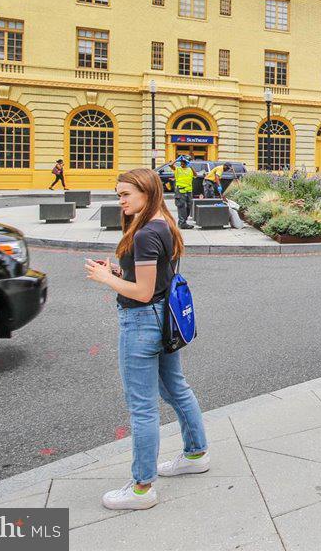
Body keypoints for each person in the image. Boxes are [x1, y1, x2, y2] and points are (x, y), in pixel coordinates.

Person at [84, 168, 208, 510]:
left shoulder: (144, 234)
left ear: (146, 192)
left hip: (141, 322)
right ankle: (195, 453)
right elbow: (153, 279)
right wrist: (119, 273)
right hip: (161, 319)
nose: (120, 200)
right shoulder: (164, 223)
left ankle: (142, 488)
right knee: (175, 387)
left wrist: (103, 279)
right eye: (118, 194)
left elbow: (141, 292)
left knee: (142, 406)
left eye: (125, 194)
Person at [172, 157, 195, 229]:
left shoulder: (189, 169)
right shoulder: (177, 169)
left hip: (189, 191)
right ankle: (182, 223)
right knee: (181, 206)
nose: (182, 164)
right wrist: (176, 160)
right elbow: (170, 165)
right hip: (180, 191)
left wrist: (191, 166)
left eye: (183, 162)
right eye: (181, 162)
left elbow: (195, 175)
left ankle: (183, 221)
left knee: (189, 206)